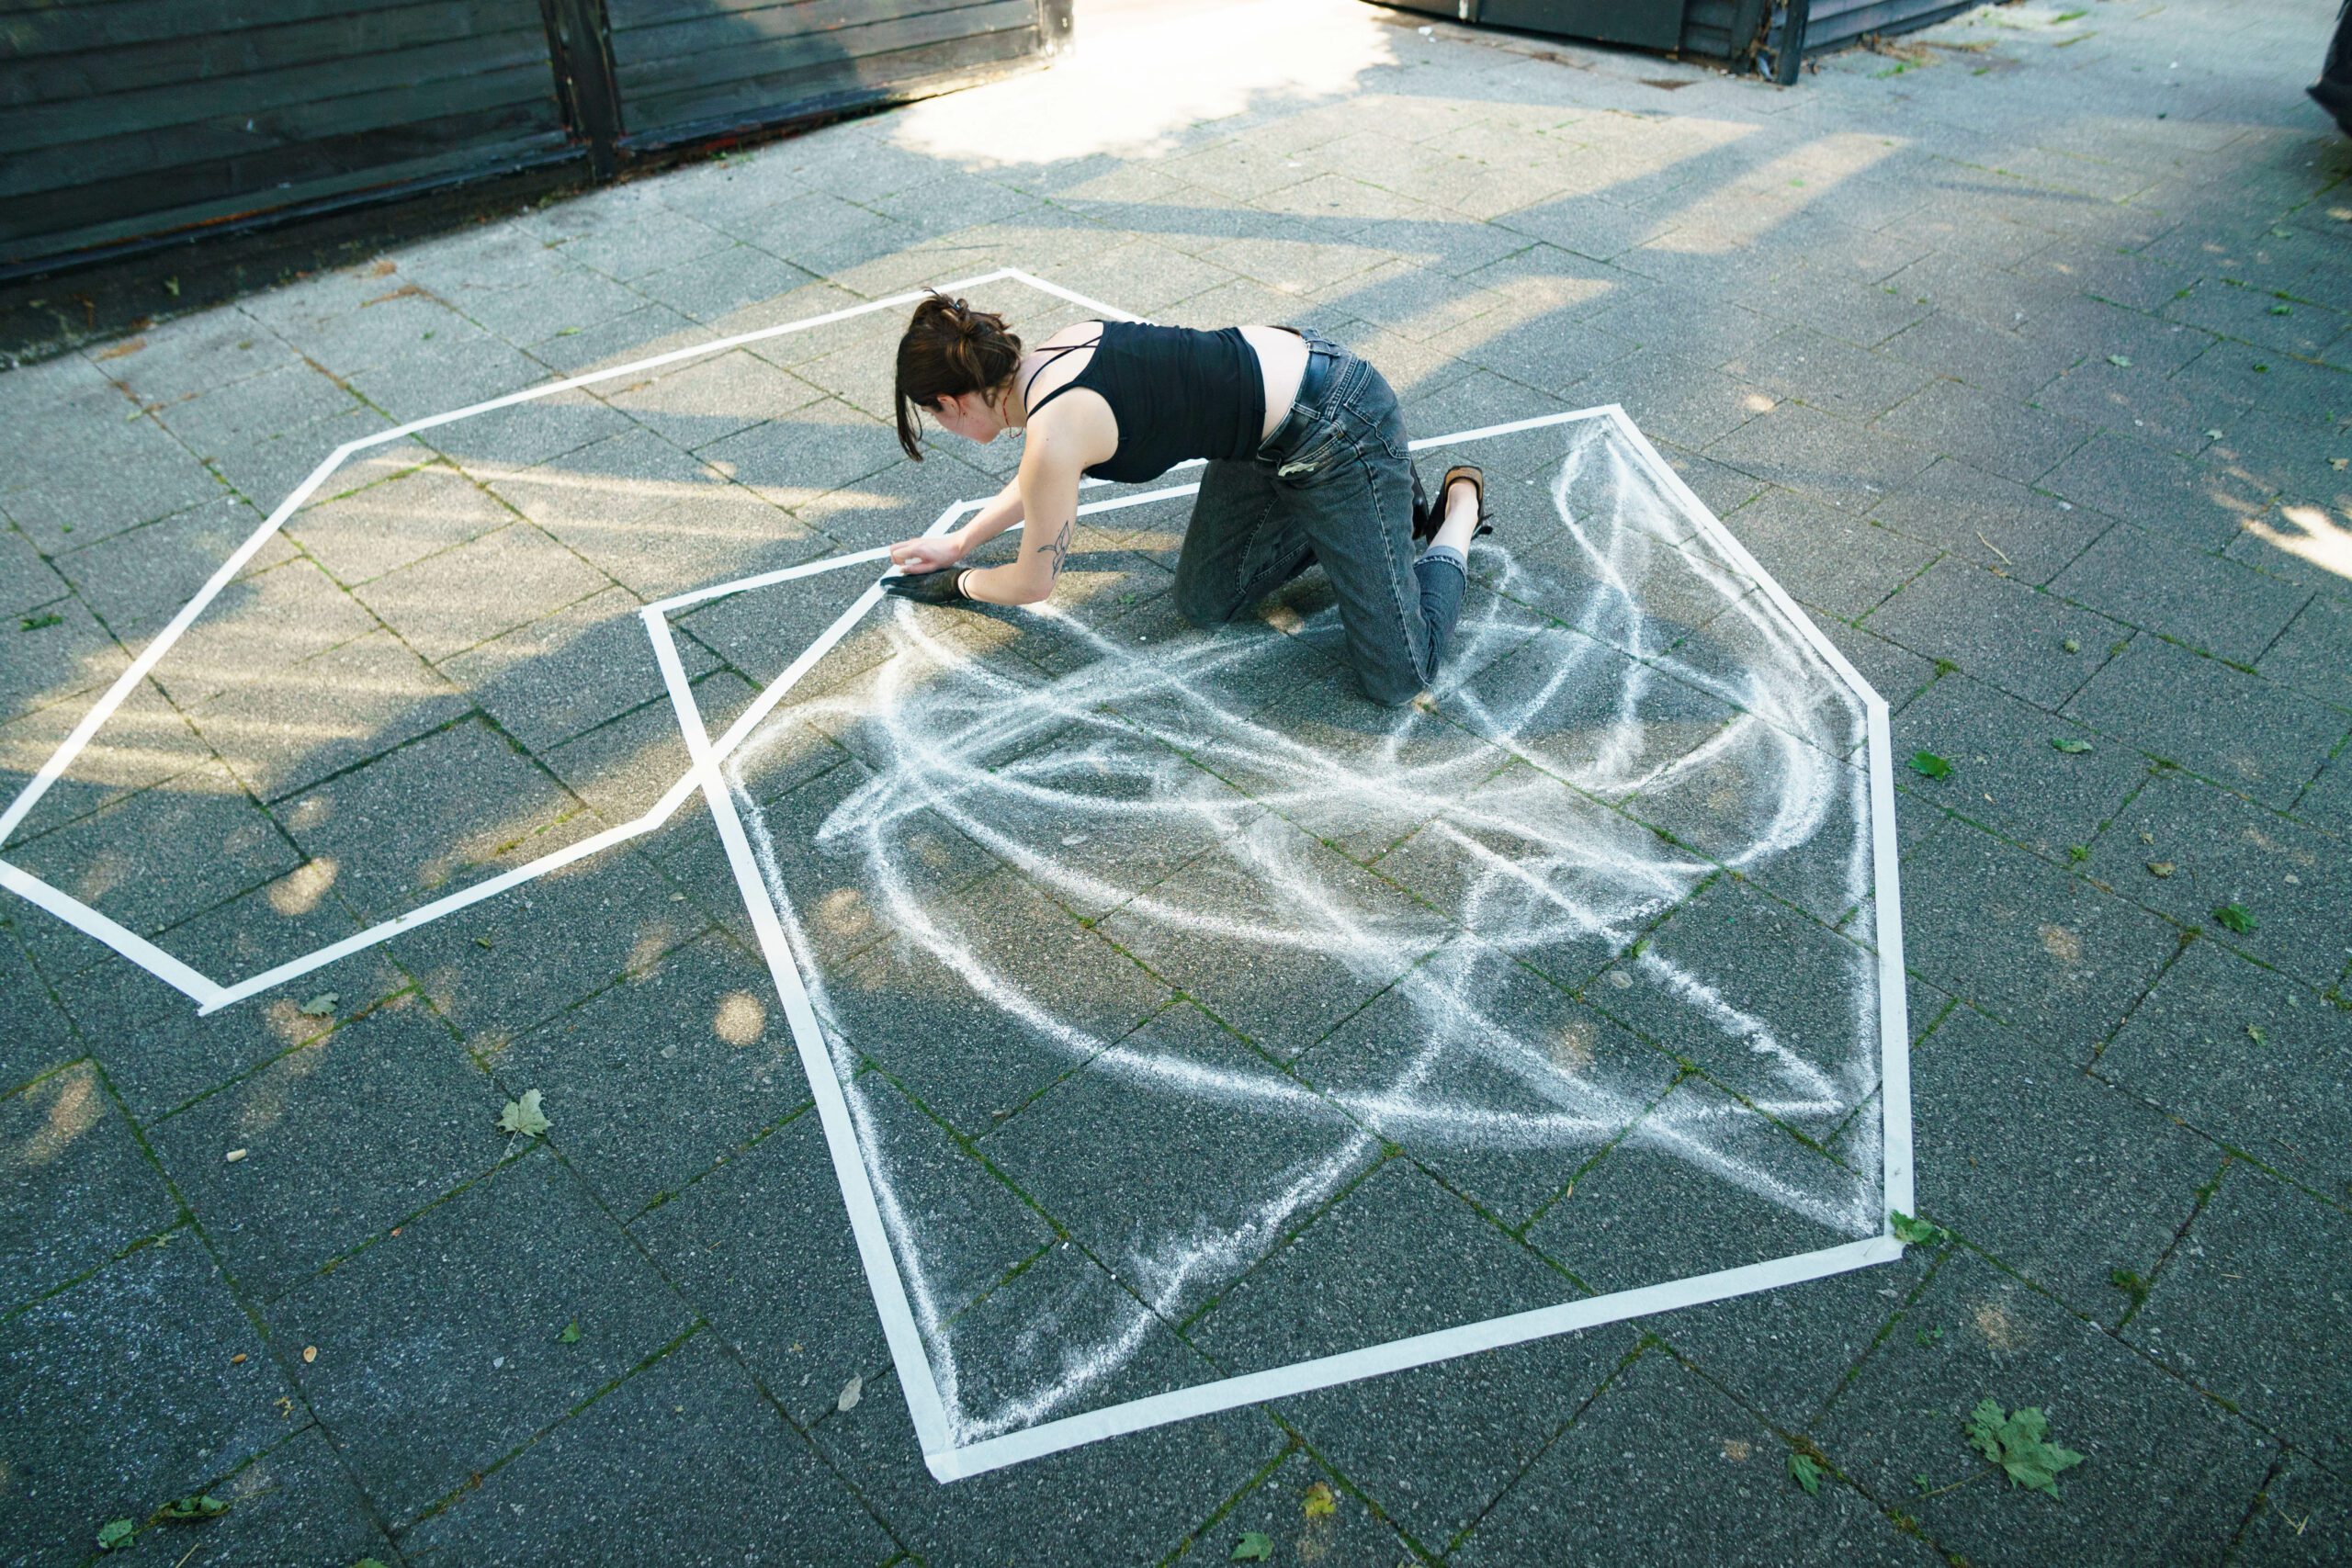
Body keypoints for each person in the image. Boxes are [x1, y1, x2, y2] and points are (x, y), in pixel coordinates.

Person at [881, 293, 1493, 707]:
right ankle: (1378, 502)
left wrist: (959, 584)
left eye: (935, 417)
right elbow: (1046, 476)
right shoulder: (1056, 354)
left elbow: (1031, 581)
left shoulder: (1051, 431)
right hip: (1265, 441)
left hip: (1338, 421)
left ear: (953, 403)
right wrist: (962, 541)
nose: (943, 426)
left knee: (1397, 674)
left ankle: (1453, 510)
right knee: (1207, 601)